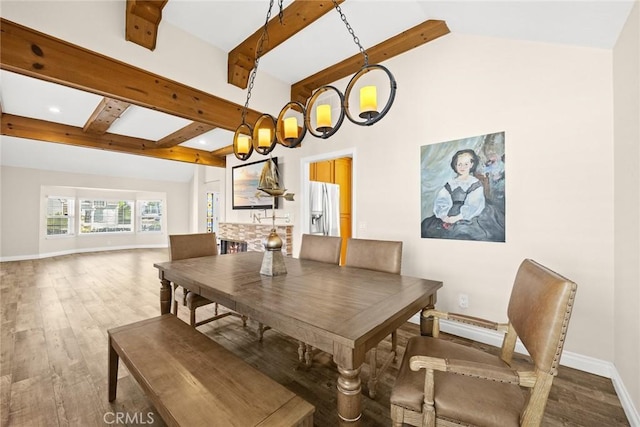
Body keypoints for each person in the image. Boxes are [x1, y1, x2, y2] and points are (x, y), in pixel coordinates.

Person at [421, 148, 504, 242]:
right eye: (459, 164)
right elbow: (442, 200)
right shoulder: (451, 183)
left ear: (471, 165)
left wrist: (457, 218)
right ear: (455, 165)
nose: (462, 167)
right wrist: (444, 216)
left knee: (462, 232)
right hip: (449, 212)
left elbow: (474, 205)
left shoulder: (474, 183)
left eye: (466, 164)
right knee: (427, 228)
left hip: (470, 215)